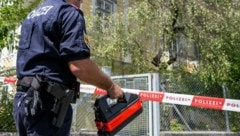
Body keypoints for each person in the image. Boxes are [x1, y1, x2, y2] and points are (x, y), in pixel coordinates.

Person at [13, 0, 124, 135]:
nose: (82, 1)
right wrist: (110, 86)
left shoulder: (33, 15)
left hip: (23, 100)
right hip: (47, 105)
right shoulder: (69, 13)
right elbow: (80, 67)